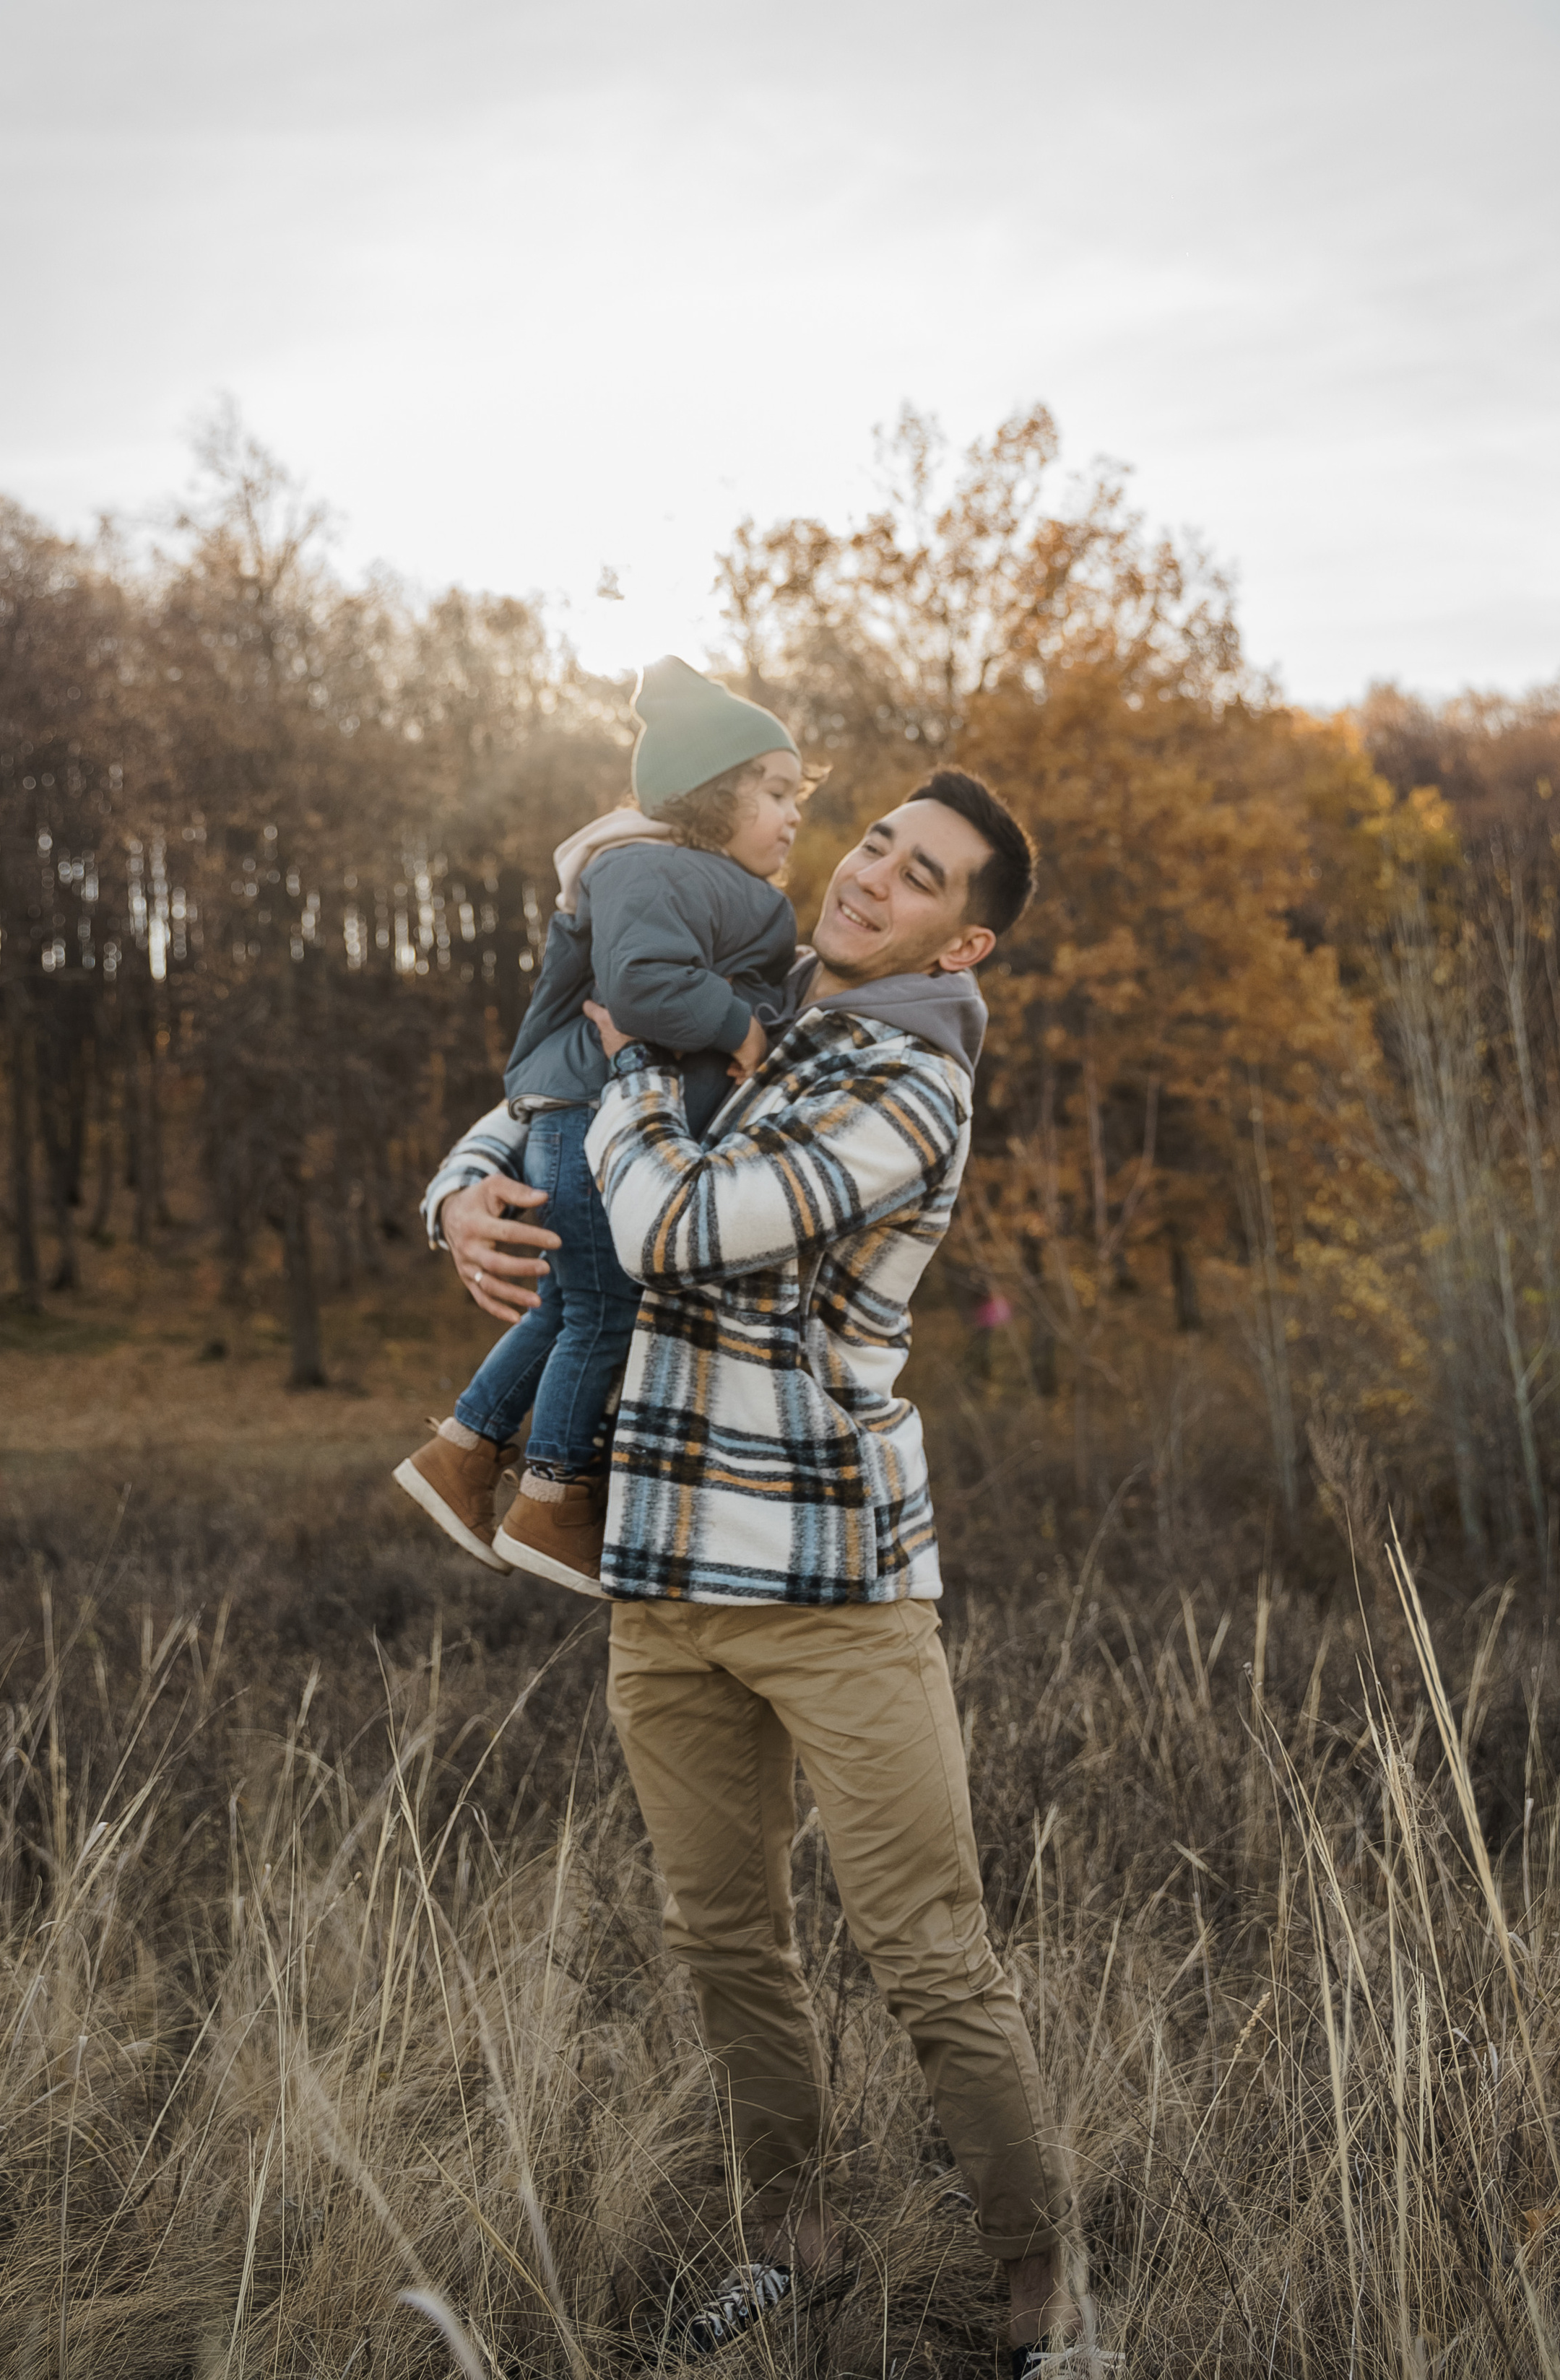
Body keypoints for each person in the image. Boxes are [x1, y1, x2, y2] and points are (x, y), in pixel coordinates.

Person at [425, 768, 1075, 2375]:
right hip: (655, 1563)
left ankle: (1047, 2298)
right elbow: (527, 1102)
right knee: (723, 1939)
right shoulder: (736, 989)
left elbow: (677, 1225)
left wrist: (644, 1054)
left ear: (964, 939)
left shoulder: (910, 1078)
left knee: (928, 1953)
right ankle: (788, 2240)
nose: (868, 876)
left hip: (829, 1584)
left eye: (916, 875)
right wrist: (458, 1199)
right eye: (871, 841)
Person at [396, 657, 802, 1594]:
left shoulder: (681, 876)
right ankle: (550, 1496)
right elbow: (644, 987)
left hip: (586, 1122)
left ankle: (462, 1455)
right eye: (774, 792)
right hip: (584, 1121)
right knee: (602, 1309)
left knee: (569, 1307)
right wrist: (740, 1025)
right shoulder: (647, 866)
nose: (791, 816)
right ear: (709, 793)